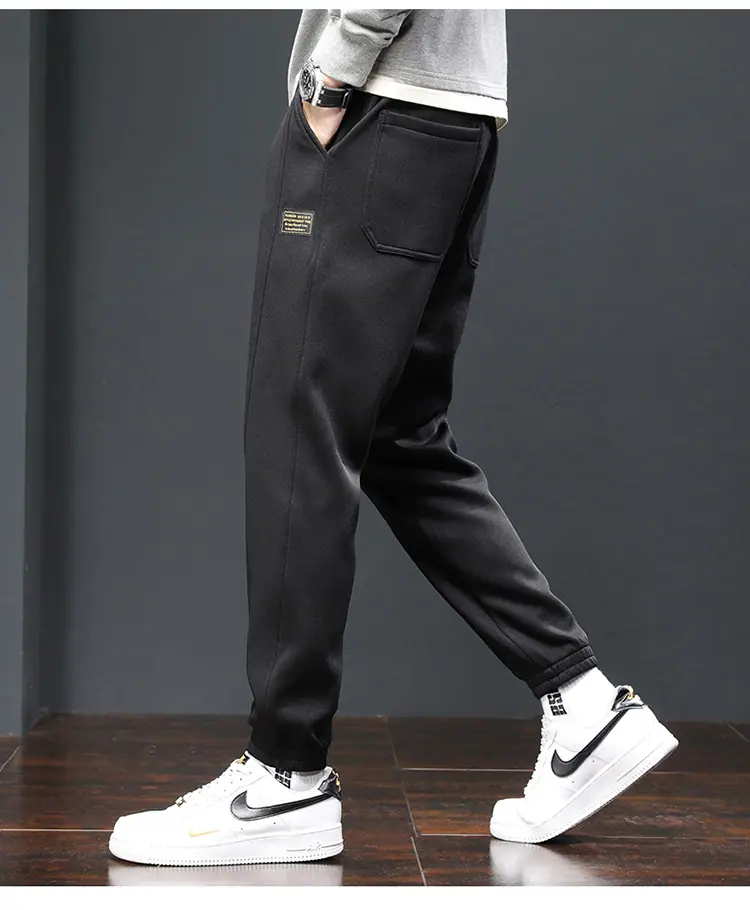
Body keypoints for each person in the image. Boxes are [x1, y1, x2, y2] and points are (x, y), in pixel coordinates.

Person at [108, 10, 678, 867]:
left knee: (300, 438)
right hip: (454, 121)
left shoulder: (353, 82)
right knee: (397, 437)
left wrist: (333, 69)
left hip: (377, 107)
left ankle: (284, 775)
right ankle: (582, 700)